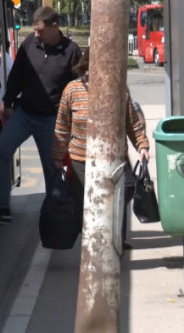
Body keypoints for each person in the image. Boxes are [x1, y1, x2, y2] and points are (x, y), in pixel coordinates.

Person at [0, 7, 81, 224]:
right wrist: (7, 102)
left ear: (54, 26)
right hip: (25, 113)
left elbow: (77, 87)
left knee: (51, 168)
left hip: (51, 120)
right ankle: (2, 207)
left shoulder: (72, 51)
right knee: (1, 150)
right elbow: (16, 73)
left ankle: (53, 214)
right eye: (34, 30)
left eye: (40, 30)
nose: (36, 34)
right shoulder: (29, 44)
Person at [51, 48, 150, 246]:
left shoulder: (118, 90)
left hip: (114, 158)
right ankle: (93, 244)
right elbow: (62, 126)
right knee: (85, 206)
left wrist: (142, 145)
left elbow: (131, 123)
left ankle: (115, 239)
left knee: (120, 196)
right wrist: (58, 154)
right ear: (86, 66)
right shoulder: (72, 90)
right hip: (81, 160)